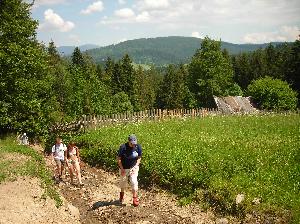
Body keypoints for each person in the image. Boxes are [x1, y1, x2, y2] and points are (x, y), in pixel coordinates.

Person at [117, 134, 142, 207]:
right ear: (129, 142)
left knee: (134, 181)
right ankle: (122, 194)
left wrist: (136, 166)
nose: (134, 145)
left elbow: (139, 157)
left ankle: (135, 198)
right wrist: (122, 169)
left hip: (133, 167)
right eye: (132, 143)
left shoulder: (138, 147)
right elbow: (118, 159)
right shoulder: (123, 147)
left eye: (135, 143)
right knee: (123, 183)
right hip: (124, 167)